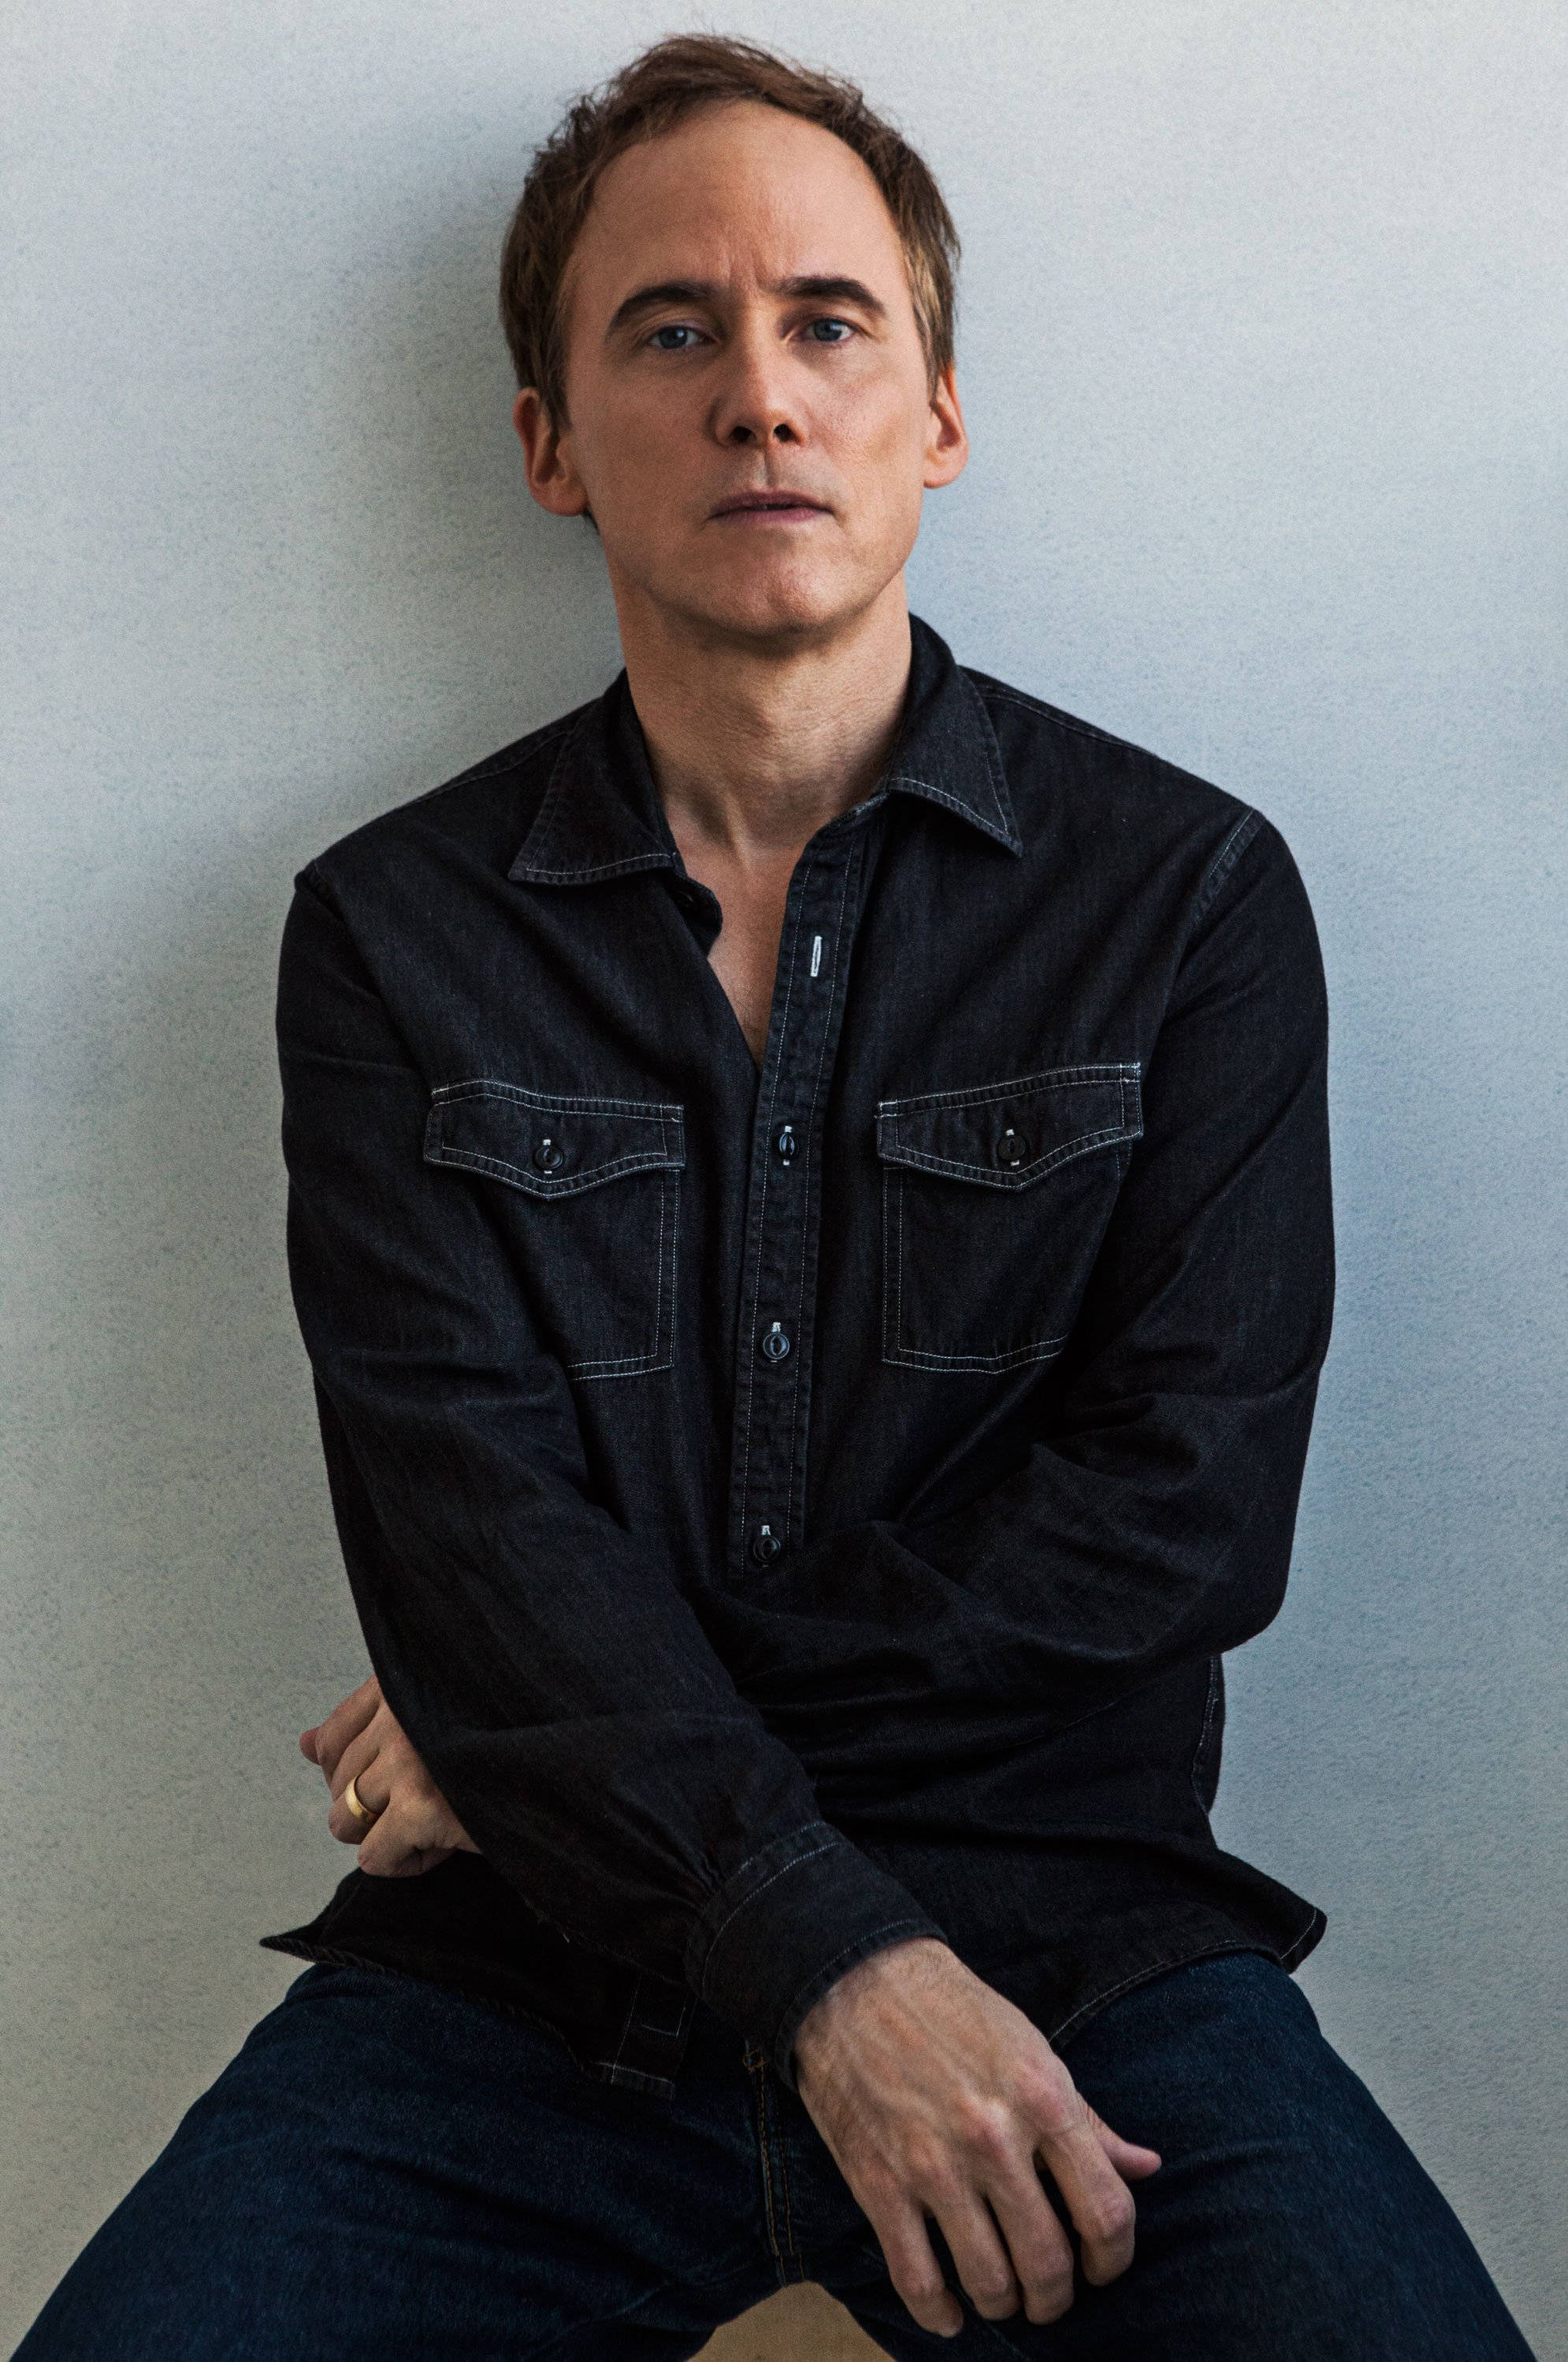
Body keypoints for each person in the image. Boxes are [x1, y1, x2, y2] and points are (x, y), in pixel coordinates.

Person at [17, 33, 1535, 2361]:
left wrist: (520, 1722)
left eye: (831, 321)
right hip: (524, 1981)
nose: (759, 395)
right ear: (550, 443)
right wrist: (813, 1951)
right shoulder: (395, 939)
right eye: (671, 330)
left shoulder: (1188, 902)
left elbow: (1182, 1526)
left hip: (1075, 1954)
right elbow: (470, 1531)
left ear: (937, 413)